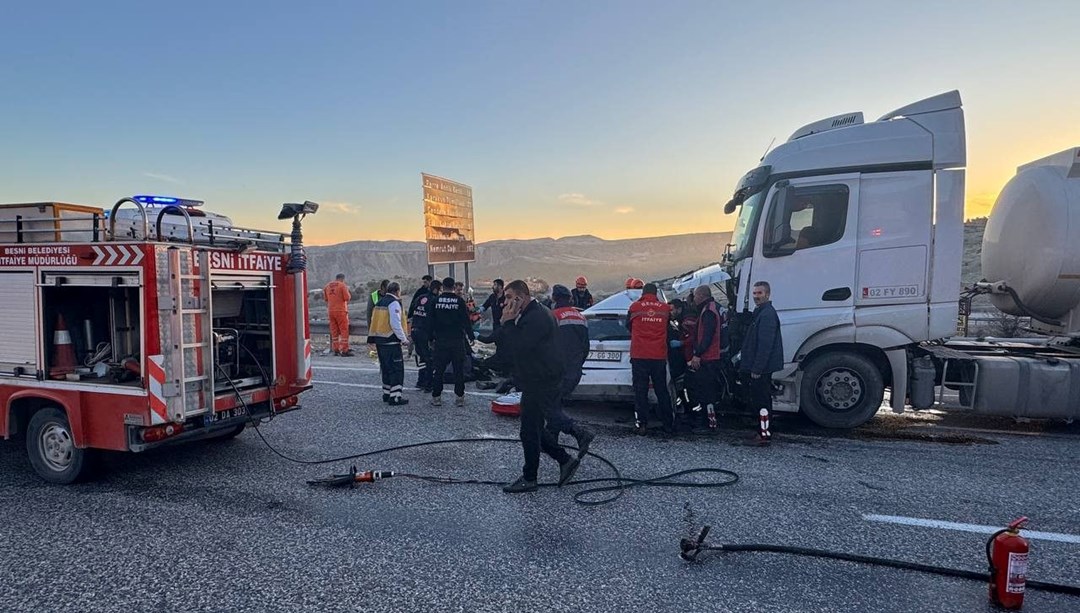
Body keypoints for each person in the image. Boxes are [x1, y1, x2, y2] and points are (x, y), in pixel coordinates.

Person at [497, 280, 584, 493]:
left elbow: (519, 347)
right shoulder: (537, 312)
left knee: (530, 430)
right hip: (539, 377)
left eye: (509, 298)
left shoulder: (535, 317)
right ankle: (563, 460)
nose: (505, 303)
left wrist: (508, 323)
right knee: (532, 429)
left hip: (541, 379)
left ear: (521, 297)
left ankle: (533, 476)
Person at [548, 284, 596, 448]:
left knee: (548, 406)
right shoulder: (581, 317)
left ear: (554, 299)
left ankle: (578, 431)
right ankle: (550, 441)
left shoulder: (552, 316)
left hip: (555, 371)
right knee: (555, 404)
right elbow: (585, 347)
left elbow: (545, 345)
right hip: (573, 372)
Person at [626, 282, 674, 434]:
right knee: (661, 390)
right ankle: (668, 424)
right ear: (656, 294)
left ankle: (642, 424)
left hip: (639, 355)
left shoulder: (635, 307)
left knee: (640, 391)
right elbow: (669, 328)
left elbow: (629, 326)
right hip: (658, 355)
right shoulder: (665, 309)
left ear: (643, 293)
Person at [740, 281, 784, 444]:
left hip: (762, 369)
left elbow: (765, 344)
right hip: (759, 366)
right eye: (755, 293)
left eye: (759, 293)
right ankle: (762, 430)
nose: (756, 296)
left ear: (767, 294)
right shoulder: (760, 312)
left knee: (762, 400)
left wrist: (757, 368)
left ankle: (764, 434)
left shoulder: (767, 315)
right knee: (759, 400)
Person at [430, 276, 474, 407]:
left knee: (439, 370)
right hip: (456, 341)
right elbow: (466, 321)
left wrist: (430, 338)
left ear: (442, 287)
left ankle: (436, 397)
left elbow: (430, 321)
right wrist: (471, 337)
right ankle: (459, 398)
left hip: (441, 341)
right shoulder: (459, 301)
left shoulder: (435, 301)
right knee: (458, 370)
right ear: (454, 287)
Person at [367, 282, 410, 406]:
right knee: (396, 369)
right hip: (391, 341)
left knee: (385, 369)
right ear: (397, 291)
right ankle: (395, 396)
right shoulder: (394, 303)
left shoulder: (380, 302)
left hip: (380, 341)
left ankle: (387, 393)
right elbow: (395, 323)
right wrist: (404, 339)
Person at [689, 285, 725, 430]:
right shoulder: (711, 308)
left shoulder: (708, 312)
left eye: (696, 296)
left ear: (702, 296)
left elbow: (707, 336)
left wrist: (697, 354)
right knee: (705, 391)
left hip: (708, 358)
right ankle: (707, 422)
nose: (694, 299)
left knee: (706, 392)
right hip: (710, 356)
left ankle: (709, 424)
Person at [411, 279, 440, 391]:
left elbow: (413, 312)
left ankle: (420, 381)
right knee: (429, 359)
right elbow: (434, 319)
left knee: (422, 357)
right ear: (436, 289)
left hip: (415, 330)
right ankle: (428, 384)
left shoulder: (420, 298)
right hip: (424, 333)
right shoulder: (434, 300)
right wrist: (433, 336)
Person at [322, 273, 354, 356]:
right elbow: (347, 298)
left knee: (334, 331)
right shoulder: (342, 285)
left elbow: (325, 299)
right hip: (341, 311)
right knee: (344, 330)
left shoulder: (327, 286)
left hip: (331, 311)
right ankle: (345, 350)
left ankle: (336, 349)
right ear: (342, 279)